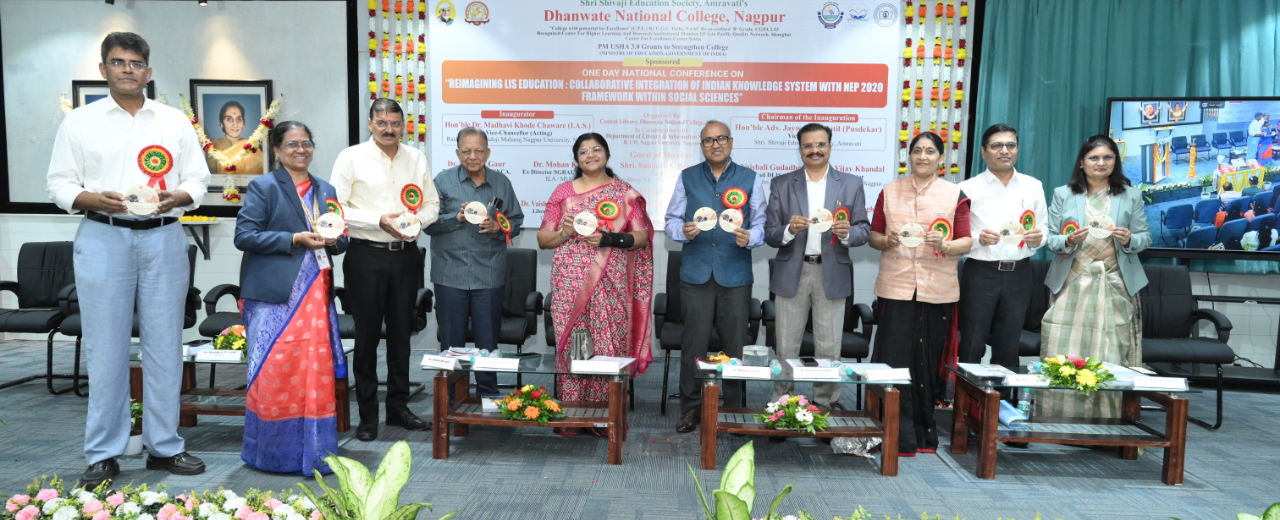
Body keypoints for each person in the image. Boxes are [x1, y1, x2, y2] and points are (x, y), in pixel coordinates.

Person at [46, 32, 210, 488]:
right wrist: (95, 198)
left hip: (164, 238)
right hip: (104, 237)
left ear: (148, 72)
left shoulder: (174, 121)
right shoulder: (80, 122)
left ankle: (165, 446)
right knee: (105, 348)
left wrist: (176, 196)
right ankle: (103, 452)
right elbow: (59, 185)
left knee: (166, 345)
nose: (127, 70)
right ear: (103, 69)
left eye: (136, 63)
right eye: (118, 62)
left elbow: (198, 180)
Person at [234, 122, 348, 476]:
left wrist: (335, 240)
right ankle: (271, 454)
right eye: (292, 144)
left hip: (316, 293)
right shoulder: (264, 186)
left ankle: (315, 452)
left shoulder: (326, 189)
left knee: (314, 374)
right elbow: (244, 236)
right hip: (275, 297)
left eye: (307, 143)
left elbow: (341, 238)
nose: (301, 149)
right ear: (277, 150)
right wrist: (294, 239)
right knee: (275, 373)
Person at [331, 98, 440, 441]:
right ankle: (367, 416)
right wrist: (378, 219)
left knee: (400, 336)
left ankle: (398, 408)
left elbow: (432, 204)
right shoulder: (351, 157)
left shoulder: (416, 158)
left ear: (403, 125)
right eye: (382, 123)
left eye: (395, 123)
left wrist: (415, 222)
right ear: (370, 124)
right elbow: (336, 208)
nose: (389, 129)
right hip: (366, 256)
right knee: (365, 338)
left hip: (406, 256)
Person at [537, 133, 654, 436]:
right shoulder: (563, 192)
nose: (591, 155)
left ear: (607, 153)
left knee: (607, 344)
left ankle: (604, 417)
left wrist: (610, 238)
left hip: (610, 280)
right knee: (576, 344)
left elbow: (642, 237)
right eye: (584, 151)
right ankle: (575, 414)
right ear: (576, 159)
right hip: (570, 281)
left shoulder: (624, 193)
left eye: (597, 149)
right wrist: (564, 233)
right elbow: (543, 239)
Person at [867, 131, 972, 457]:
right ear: (908, 156)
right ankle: (891, 433)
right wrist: (887, 241)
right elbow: (873, 236)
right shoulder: (890, 191)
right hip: (895, 287)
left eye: (930, 151)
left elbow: (966, 241)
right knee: (893, 361)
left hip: (937, 291)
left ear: (941, 158)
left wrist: (946, 245)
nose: (922, 156)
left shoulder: (955, 194)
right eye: (917, 151)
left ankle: (923, 436)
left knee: (926, 365)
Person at [665, 121, 767, 433]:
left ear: (731, 142)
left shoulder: (750, 177)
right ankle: (692, 408)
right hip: (696, 274)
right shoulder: (687, 177)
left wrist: (750, 237)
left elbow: (761, 222)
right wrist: (681, 231)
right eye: (708, 140)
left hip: (735, 274)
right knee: (693, 345)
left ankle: (732, 409)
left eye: (721, 138)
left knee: (734, 347)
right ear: (702, 146)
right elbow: (671, 220)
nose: (715, 144)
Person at [764, 122, 871, 418]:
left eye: (820, 144)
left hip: (831, 274)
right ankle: (782, 407)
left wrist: (848, 233)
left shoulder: (851, 184)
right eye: (808, 145)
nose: (815, 150)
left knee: (829, 348)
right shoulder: (781, 184)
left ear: (830, 147)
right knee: (786, 346)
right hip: (792, 274)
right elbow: (770, 232)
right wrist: (788, 229)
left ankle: (824, 407)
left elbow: (864, 230)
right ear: (800, 149)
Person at [1040, 135, 1149, 420]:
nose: (1101, 163)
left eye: (1107, 157)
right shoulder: (1064, 194)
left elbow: (1145, 238)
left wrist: (1129, 239)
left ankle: (1108, 418)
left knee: (1111, 349)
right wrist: (1068, 240)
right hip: (1072, 280)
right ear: (1082, 162)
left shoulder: (1131, 195)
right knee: (1064, 347)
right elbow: (1049, 239)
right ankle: (1058, 415)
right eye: (1094, 158)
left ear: (1115, 161)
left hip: (1115, 280)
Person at [956, 124, 1046, 438]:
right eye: (996, 145)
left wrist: (1037, 238)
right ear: (983, 151)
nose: (1004, 150)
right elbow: (958, 233)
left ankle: (1004, 416)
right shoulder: (968, 187)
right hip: (981, 273)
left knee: (1008, 347)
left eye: (1010, 145)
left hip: (1020, 273)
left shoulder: (1033, 186)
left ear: (1017, 149)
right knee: (971, 344)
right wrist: (977, 239)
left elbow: (1044, 229)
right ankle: (965, 416)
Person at [424, 127, 523, 399]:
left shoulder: (501, 182)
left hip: (488, 274)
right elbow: (428, 225)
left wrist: (499, 227)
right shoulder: (442, 181)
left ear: (487, 153)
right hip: (450, 273)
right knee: (452, 342)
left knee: (488, 342)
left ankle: (488, 395)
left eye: (478, 150)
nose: (472, 156)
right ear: (458, 153)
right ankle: (453, 398)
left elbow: (516, 221)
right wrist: (454, 219)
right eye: (466, 151)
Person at [208, 100, 264, 176]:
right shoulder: (213, 147)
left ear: (243, 123)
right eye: (229, 119)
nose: (235, 125)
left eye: (239, 119)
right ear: (222, 124)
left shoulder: (252, 148)